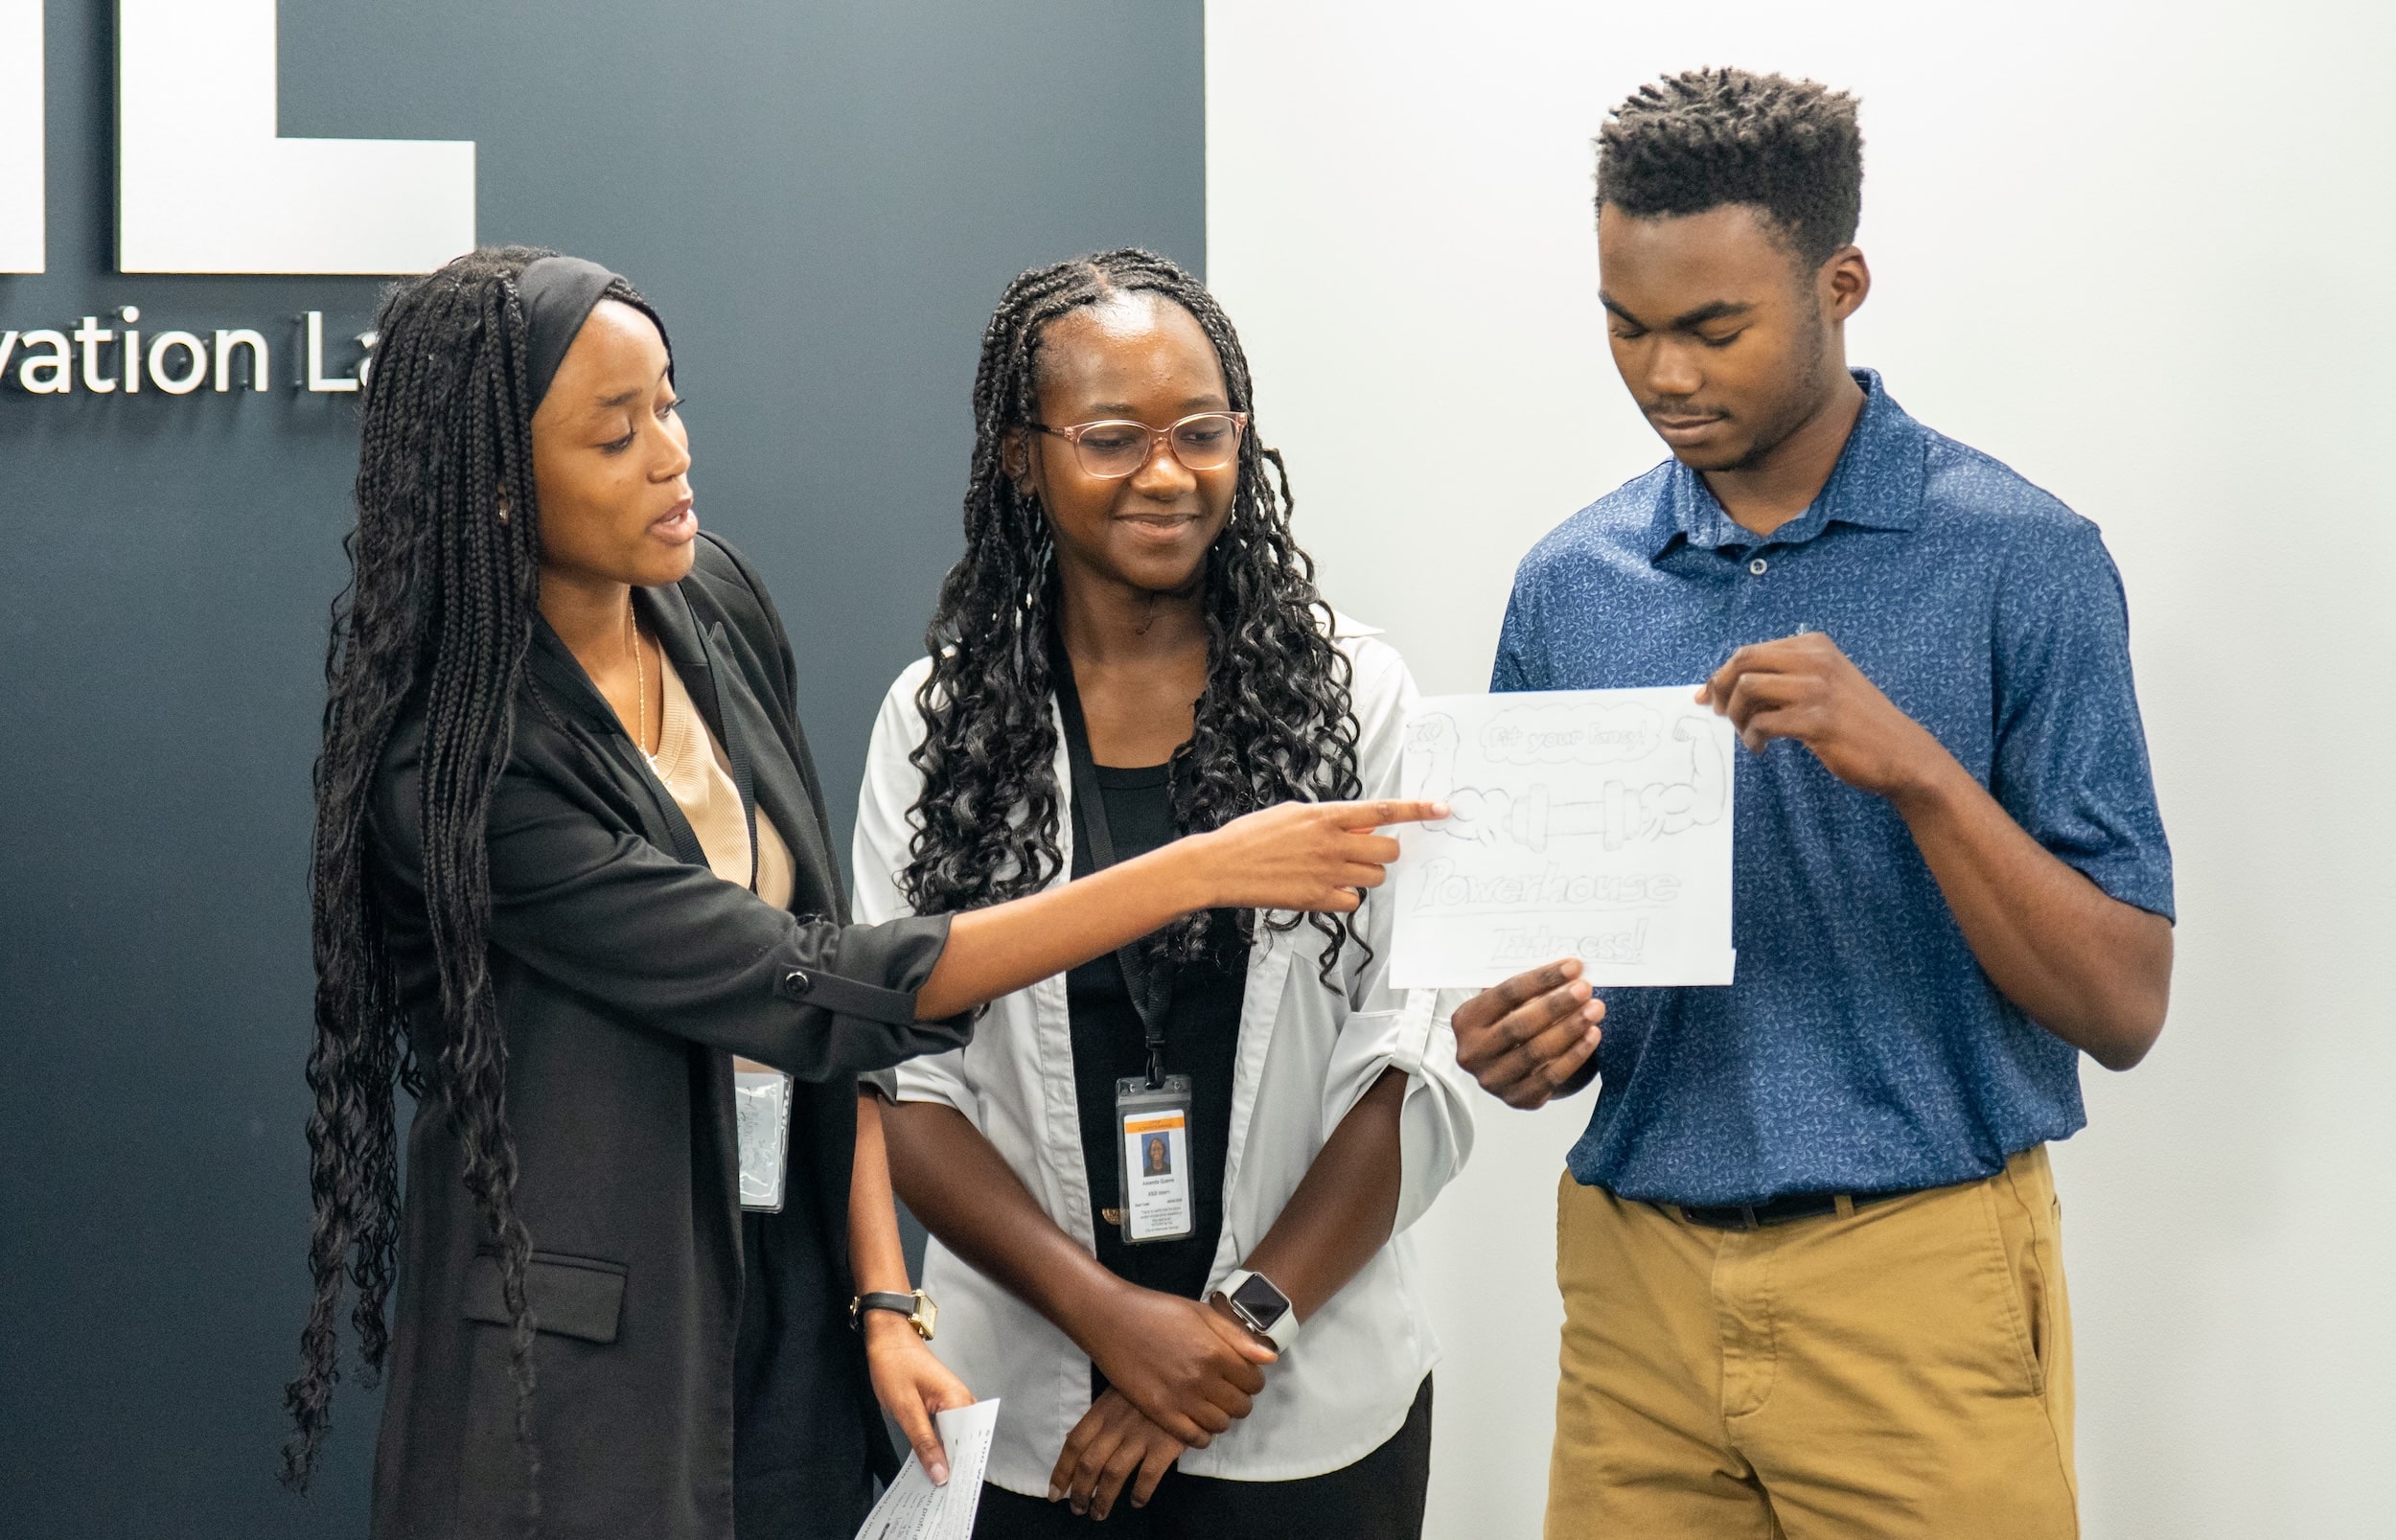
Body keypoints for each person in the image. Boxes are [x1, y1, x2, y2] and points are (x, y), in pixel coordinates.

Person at [283, 246, 1438, 1540]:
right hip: (582, 1354)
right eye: (617, 436)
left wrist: (885, 1301)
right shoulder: (465, 773)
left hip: (788, 1303)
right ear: (498, 488)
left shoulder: (706, 602)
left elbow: (842, 1043)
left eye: (668, 403)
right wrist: (1203, 866)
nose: (672, 455)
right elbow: (819, 985)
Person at [1449, 71, 2177, 1538]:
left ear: (1842, 284)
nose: (1663, 373)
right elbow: (1532, 980)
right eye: (1624, 321)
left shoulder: (2022, 562)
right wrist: (1505, 1041)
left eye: (1713, 328)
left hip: (1919, 1284)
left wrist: (1914, 769)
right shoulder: (1567, 587)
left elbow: (2124, 1005)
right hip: (1632, 1290)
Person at [855, 250, 1476, 1538]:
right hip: (1035, 1418)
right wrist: (1118, 1327)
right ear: (1023, 454)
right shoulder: (939, 723)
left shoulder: (1357, 703)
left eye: (1203, 433)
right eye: (1112, 437)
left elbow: (1410, 1063)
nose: (1167, 473)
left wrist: (1231, 1335)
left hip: (1308, 1412)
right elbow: (905, 1082)